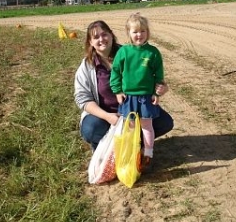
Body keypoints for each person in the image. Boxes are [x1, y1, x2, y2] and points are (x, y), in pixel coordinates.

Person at [73, 20, 173, 164]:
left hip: (136, 108)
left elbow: (151, 77)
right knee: (92, 129)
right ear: (90, 42)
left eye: (104, 34)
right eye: (96, 37)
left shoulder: (129, 53)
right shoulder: (87, 66)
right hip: (106, 115)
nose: (101, 39)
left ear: (112, 35)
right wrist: (108, 117)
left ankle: (138, 148)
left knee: (165, 122)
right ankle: (103, 148)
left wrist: (162, 88)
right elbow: (82, 98)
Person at [109, 13, 165, 172]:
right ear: (129, 33)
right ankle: (133, 153)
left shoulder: (153, 53)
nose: (139, 35)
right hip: (129, 98)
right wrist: (118, 90)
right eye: (135, 32)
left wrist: (157, 92)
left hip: (146, 96)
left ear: (148, 32)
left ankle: (148, 154)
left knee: (147, 125)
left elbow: (158, 74)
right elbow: (115, 72)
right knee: (131, 127)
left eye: (142, 31)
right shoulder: (124, 52)